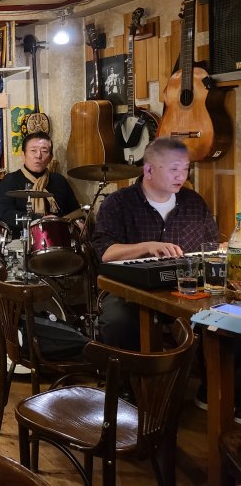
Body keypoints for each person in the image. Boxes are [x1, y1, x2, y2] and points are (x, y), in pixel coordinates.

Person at [92, 137, 218, 350]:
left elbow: (212, 247)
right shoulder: (118, 203)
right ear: (149, 170)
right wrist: (147, 247)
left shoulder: (194, 202)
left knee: (224, 323)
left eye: (185, 168)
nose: (181, 176)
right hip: (130, 292)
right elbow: (106, 252)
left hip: (187, 290)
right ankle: (131, 373)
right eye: (174, 169)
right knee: (118, 322)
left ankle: (202, 373)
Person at [0, 132, 80, 238]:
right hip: (21, 239)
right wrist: (40, 220)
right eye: (33, 150)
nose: (38, 156)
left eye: (44, 151)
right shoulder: (11, 180)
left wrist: (79, 222)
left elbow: (75, 211)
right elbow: (7, 214)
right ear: (23, 155)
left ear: (50, 157)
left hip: (57, 239)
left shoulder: (59, 180)